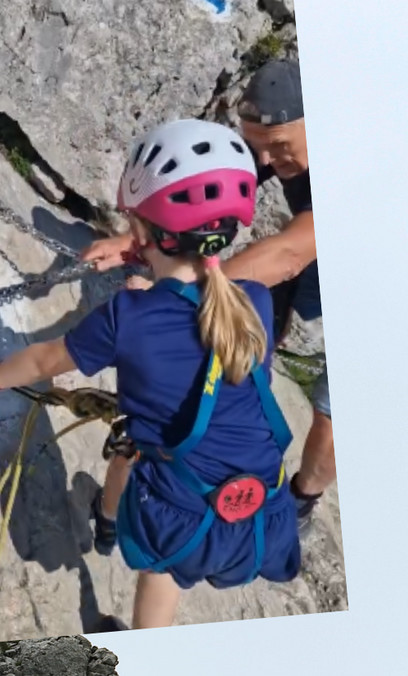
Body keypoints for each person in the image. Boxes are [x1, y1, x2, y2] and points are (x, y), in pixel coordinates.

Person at [0, 118, 299, 629]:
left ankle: (113, 534)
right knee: (149, 445)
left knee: (157, 544)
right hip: (259, 515)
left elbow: (46, 362)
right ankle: (110, 525)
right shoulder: (258, 303)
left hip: (180, 519)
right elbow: (206, 358)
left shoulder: (128, 318)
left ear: (143, 230)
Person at [81, 59, 329, 533]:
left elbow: (287, 254)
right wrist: (142, 242)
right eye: (261, 150)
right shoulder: (279, 145)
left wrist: (176, 296)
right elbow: (206, 197)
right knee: (260, 307)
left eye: (280, 147)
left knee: (334, 420)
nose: (271, 162)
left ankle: (300, 500)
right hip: (319, 250)